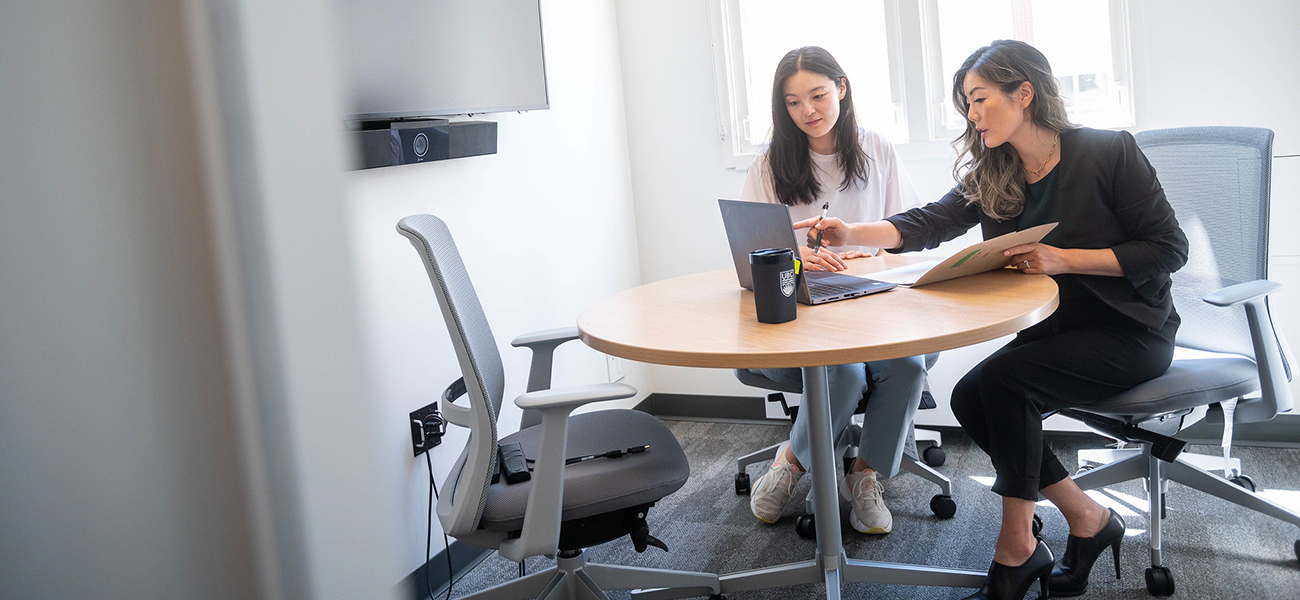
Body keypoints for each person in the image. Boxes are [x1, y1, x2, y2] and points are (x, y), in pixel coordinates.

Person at [797, 40, 1188, 600]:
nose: (972, 115)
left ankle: (1016, 550)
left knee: (1003, 386)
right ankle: (1088, 519)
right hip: (1055, 331)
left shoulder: (1108, 152)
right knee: (971, 397)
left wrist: (1062, 260)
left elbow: (1169, 249)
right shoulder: (996, 168)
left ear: (1023, 93)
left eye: (979, 100)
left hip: (1131, 331)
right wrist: (854, 233)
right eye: (967, 104)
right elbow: (931, 220)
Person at [740, 46, 927, 535]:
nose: (809, 111)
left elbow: (907, 236)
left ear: (841, 89)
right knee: (842, 375)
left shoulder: (876, 149)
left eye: (818, 95)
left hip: (872, 301)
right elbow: (750, 255)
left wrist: (867, 249)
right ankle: (792, 461)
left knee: (907, 367)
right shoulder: (768, 165)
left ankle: (865, 476)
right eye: (793, 102)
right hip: (802, 309)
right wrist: (802, 259)